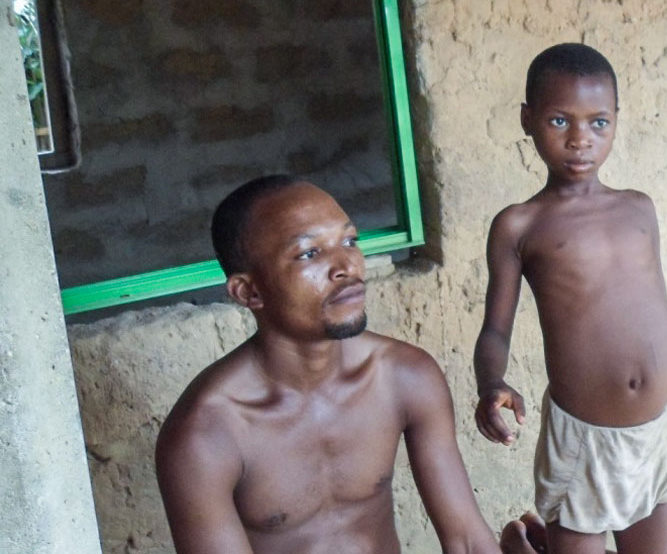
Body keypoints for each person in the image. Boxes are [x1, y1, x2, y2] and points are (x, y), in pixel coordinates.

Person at [474, 43, 667, 554]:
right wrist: (491, 382)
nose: (579, 140)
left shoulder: (639, 210)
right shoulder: (520, 225)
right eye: (558, 121)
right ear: (527, 120)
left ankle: (525, 543)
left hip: (654, 436)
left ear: (616, 121)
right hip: (583, 444)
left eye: (598, 123)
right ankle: (527, 543)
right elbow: (495, 329)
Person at [155, 175, 501, 554]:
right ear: (249, 291)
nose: (346, 266)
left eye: (350, 241)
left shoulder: (405, 376)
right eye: (309, 254)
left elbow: (467, 540)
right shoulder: (205, 435)